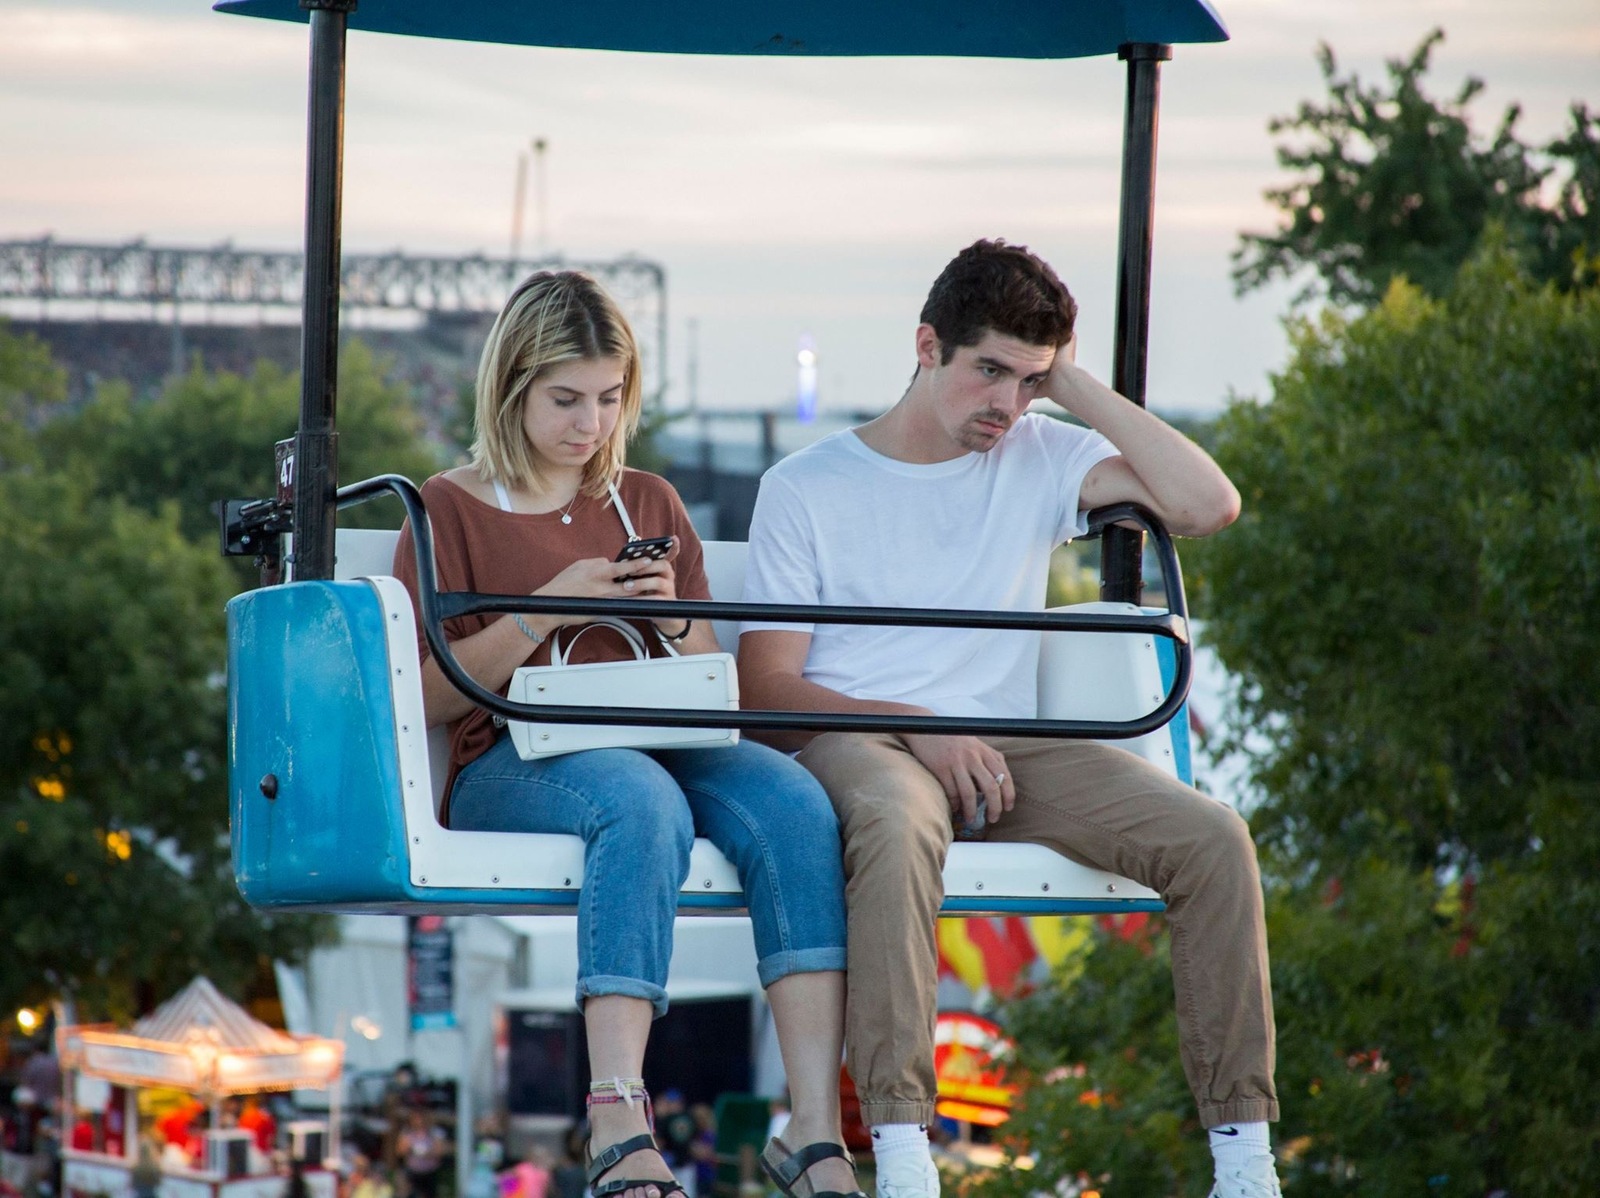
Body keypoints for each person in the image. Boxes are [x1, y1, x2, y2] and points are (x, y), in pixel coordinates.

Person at [738, 239, 1281, 1198]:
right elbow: (769, 689)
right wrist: (922, 724)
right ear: (927, 346)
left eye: (1028, 380)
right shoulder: (807, 486)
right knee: (899, 824)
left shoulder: (1041, 450)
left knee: (1213, 840)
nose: (1005, 403)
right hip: (861, 737)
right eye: (989, 369)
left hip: (1002, 747)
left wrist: (1071, 383)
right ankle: (905, 1154)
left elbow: (1210, 503)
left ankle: (1244, 1161)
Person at [393, 270, 860, 1198]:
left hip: (659, 739)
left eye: (610, 399)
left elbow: (709, 685)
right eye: (566, 399)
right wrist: (544, 613)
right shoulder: (445, 508)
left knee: (796, 803)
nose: (590, 424)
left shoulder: (643, 500)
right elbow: (429, 700)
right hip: (516, 760)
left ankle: (812, 1130)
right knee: (640, 802)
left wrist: (676, 614)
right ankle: (616, 1114)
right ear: (511, 388)